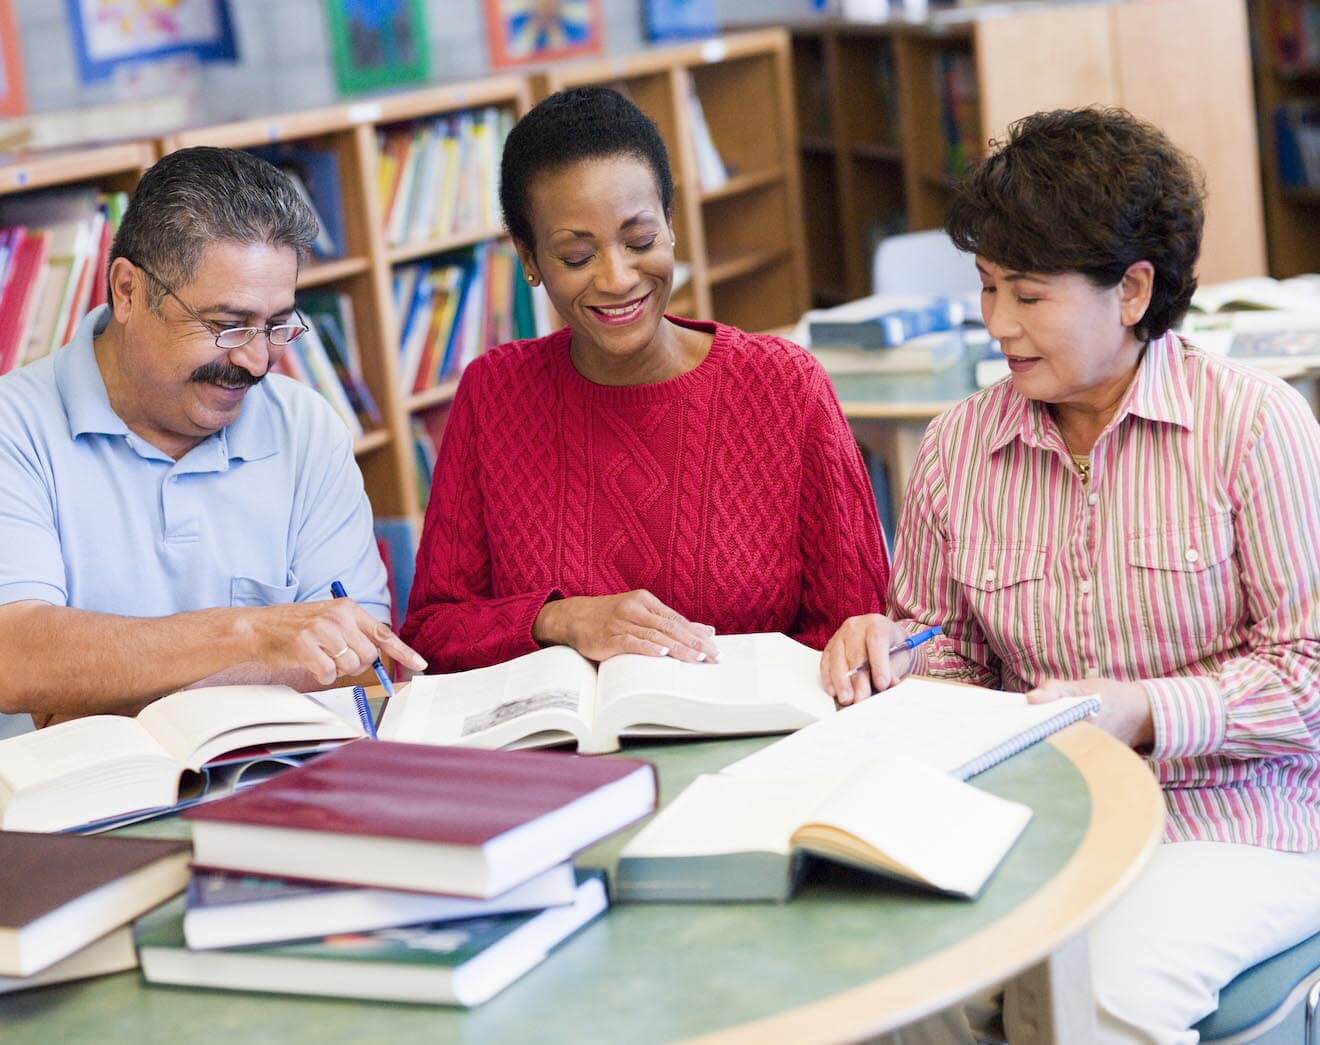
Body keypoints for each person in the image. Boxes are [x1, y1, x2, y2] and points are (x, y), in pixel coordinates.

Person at [822, 108, 1320, 1041]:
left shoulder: (1256, 427)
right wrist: (892, 653)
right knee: (893, 986)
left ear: (1132, 290)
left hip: (1240, 818)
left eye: (1030, 295)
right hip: (1040, 814)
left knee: (1092, 999)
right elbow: (952, 654)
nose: (998, 324)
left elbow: (1310, 675)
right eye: (987, 288)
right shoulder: (959, 445)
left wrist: (1142, 710)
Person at [0, 146, 426, 755]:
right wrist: (258, 636)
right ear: (127, 292)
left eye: (277, 325)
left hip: (275, 776)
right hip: (68, 808)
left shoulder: (306, 428)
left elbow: (356, 662)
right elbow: (20, 662)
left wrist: (98, 683)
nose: (256, 360)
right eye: (228, 324)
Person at [401, 87, 889, 674]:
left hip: (762, 745)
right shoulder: (493, 394)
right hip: (566, 753)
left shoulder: (784, 386)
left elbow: (858, 627)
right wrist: (559, 618)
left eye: (640, 241)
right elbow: (432, 632)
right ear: (527, 258)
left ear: (671, 225)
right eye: (577, 257)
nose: (616, 278)